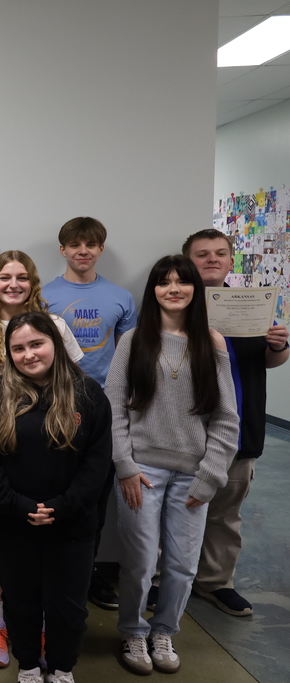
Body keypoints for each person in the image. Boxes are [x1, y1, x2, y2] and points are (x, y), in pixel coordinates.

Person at [105, 255, 239, 676]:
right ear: (154, 290)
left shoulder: (212, 343)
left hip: (192, 476)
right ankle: (133, 632)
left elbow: (225, 418)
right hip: (141, 472)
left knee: (182, 565)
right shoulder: (133, 339)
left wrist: (210, 475)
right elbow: (113, 407)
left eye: (183, 282)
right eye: (165, 282)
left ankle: (164, 631)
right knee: (141, 561)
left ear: (196, 290)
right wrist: (124, 465)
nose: (174, 289)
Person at [0, 311, 112, 683]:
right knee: (21, 603)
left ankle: (62, 668)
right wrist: (21, 507)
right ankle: (29, 665)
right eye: (18, 348)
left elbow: (97, 464)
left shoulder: (88, 394)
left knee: (68, 609)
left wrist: (61, 508)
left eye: (37, 344)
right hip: (11, 522)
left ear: (56, 345)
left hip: (72, 523)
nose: (29, 354)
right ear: (8, 354)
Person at [0, 250, 83, 669]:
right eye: (4, 278)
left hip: (51, 453)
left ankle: (44, 626)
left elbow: (76, 386)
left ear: (33, 282)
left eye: (21, 277)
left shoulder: (58, 328)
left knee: (48, 544)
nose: (13, 285)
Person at [182, 229, 289, 616]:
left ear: (231, 261)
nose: (212, 259)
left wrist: (279, 345)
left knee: (225, 512)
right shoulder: (175, 304)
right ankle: (163, 580)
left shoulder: (253, 306)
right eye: (202, 254)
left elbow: (270, 360)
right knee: (176, 507)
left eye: (220, 254)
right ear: (188, 261)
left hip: (241, 429)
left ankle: (214, 582)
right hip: (186, 432)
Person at [42, 217, 137, 610]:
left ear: (100, 249)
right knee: (52, 493)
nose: (83, 251)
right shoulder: (44, 296)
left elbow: (127, 358)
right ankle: (47, 574)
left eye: (91, 245)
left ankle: (89, 574)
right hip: (53, 409)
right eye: (75, 245)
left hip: (102, 412)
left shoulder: (121, 298)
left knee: (93, 501)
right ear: (62, 250)